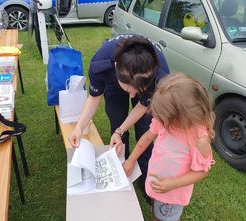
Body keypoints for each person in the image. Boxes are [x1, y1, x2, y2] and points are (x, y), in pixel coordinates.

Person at [68, 34, 170, 190]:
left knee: (145, 130)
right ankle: (121, 173)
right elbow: (94, 97)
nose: (132, 95)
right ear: (116, 68)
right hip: (114, 83)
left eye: (137, 90)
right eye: (129, 88)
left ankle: (145, 182)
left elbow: (143, 105)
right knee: (116, 120)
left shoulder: (160, 76)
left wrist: (121, 129)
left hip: (146, 84)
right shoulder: (100, 64)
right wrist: (79, 127)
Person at [123, 73, 215, 221]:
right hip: (157, 179)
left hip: (173, 189)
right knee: (157, 204)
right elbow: (146, 139)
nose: (160, 119)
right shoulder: (165, 121)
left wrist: (172, 185)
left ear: (184, 116)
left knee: (172, 218)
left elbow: (201, 172)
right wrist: (131, 160)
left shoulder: (199, 139)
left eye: (165, 116)